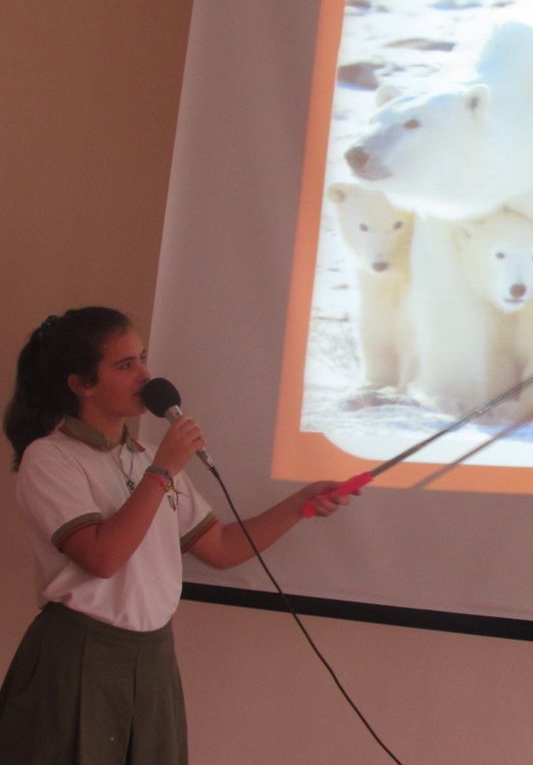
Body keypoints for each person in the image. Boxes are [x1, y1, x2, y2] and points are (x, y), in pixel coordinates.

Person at [0, 307, 352, 764]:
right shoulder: (51, 458)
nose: (146, 376)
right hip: (79, 654)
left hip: (153, 655)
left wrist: (299, 504)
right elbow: (102, 558)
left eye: (143, 358)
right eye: (125, 365)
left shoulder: (149, 458)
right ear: (82, 383)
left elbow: (221, 547)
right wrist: (162, 470)